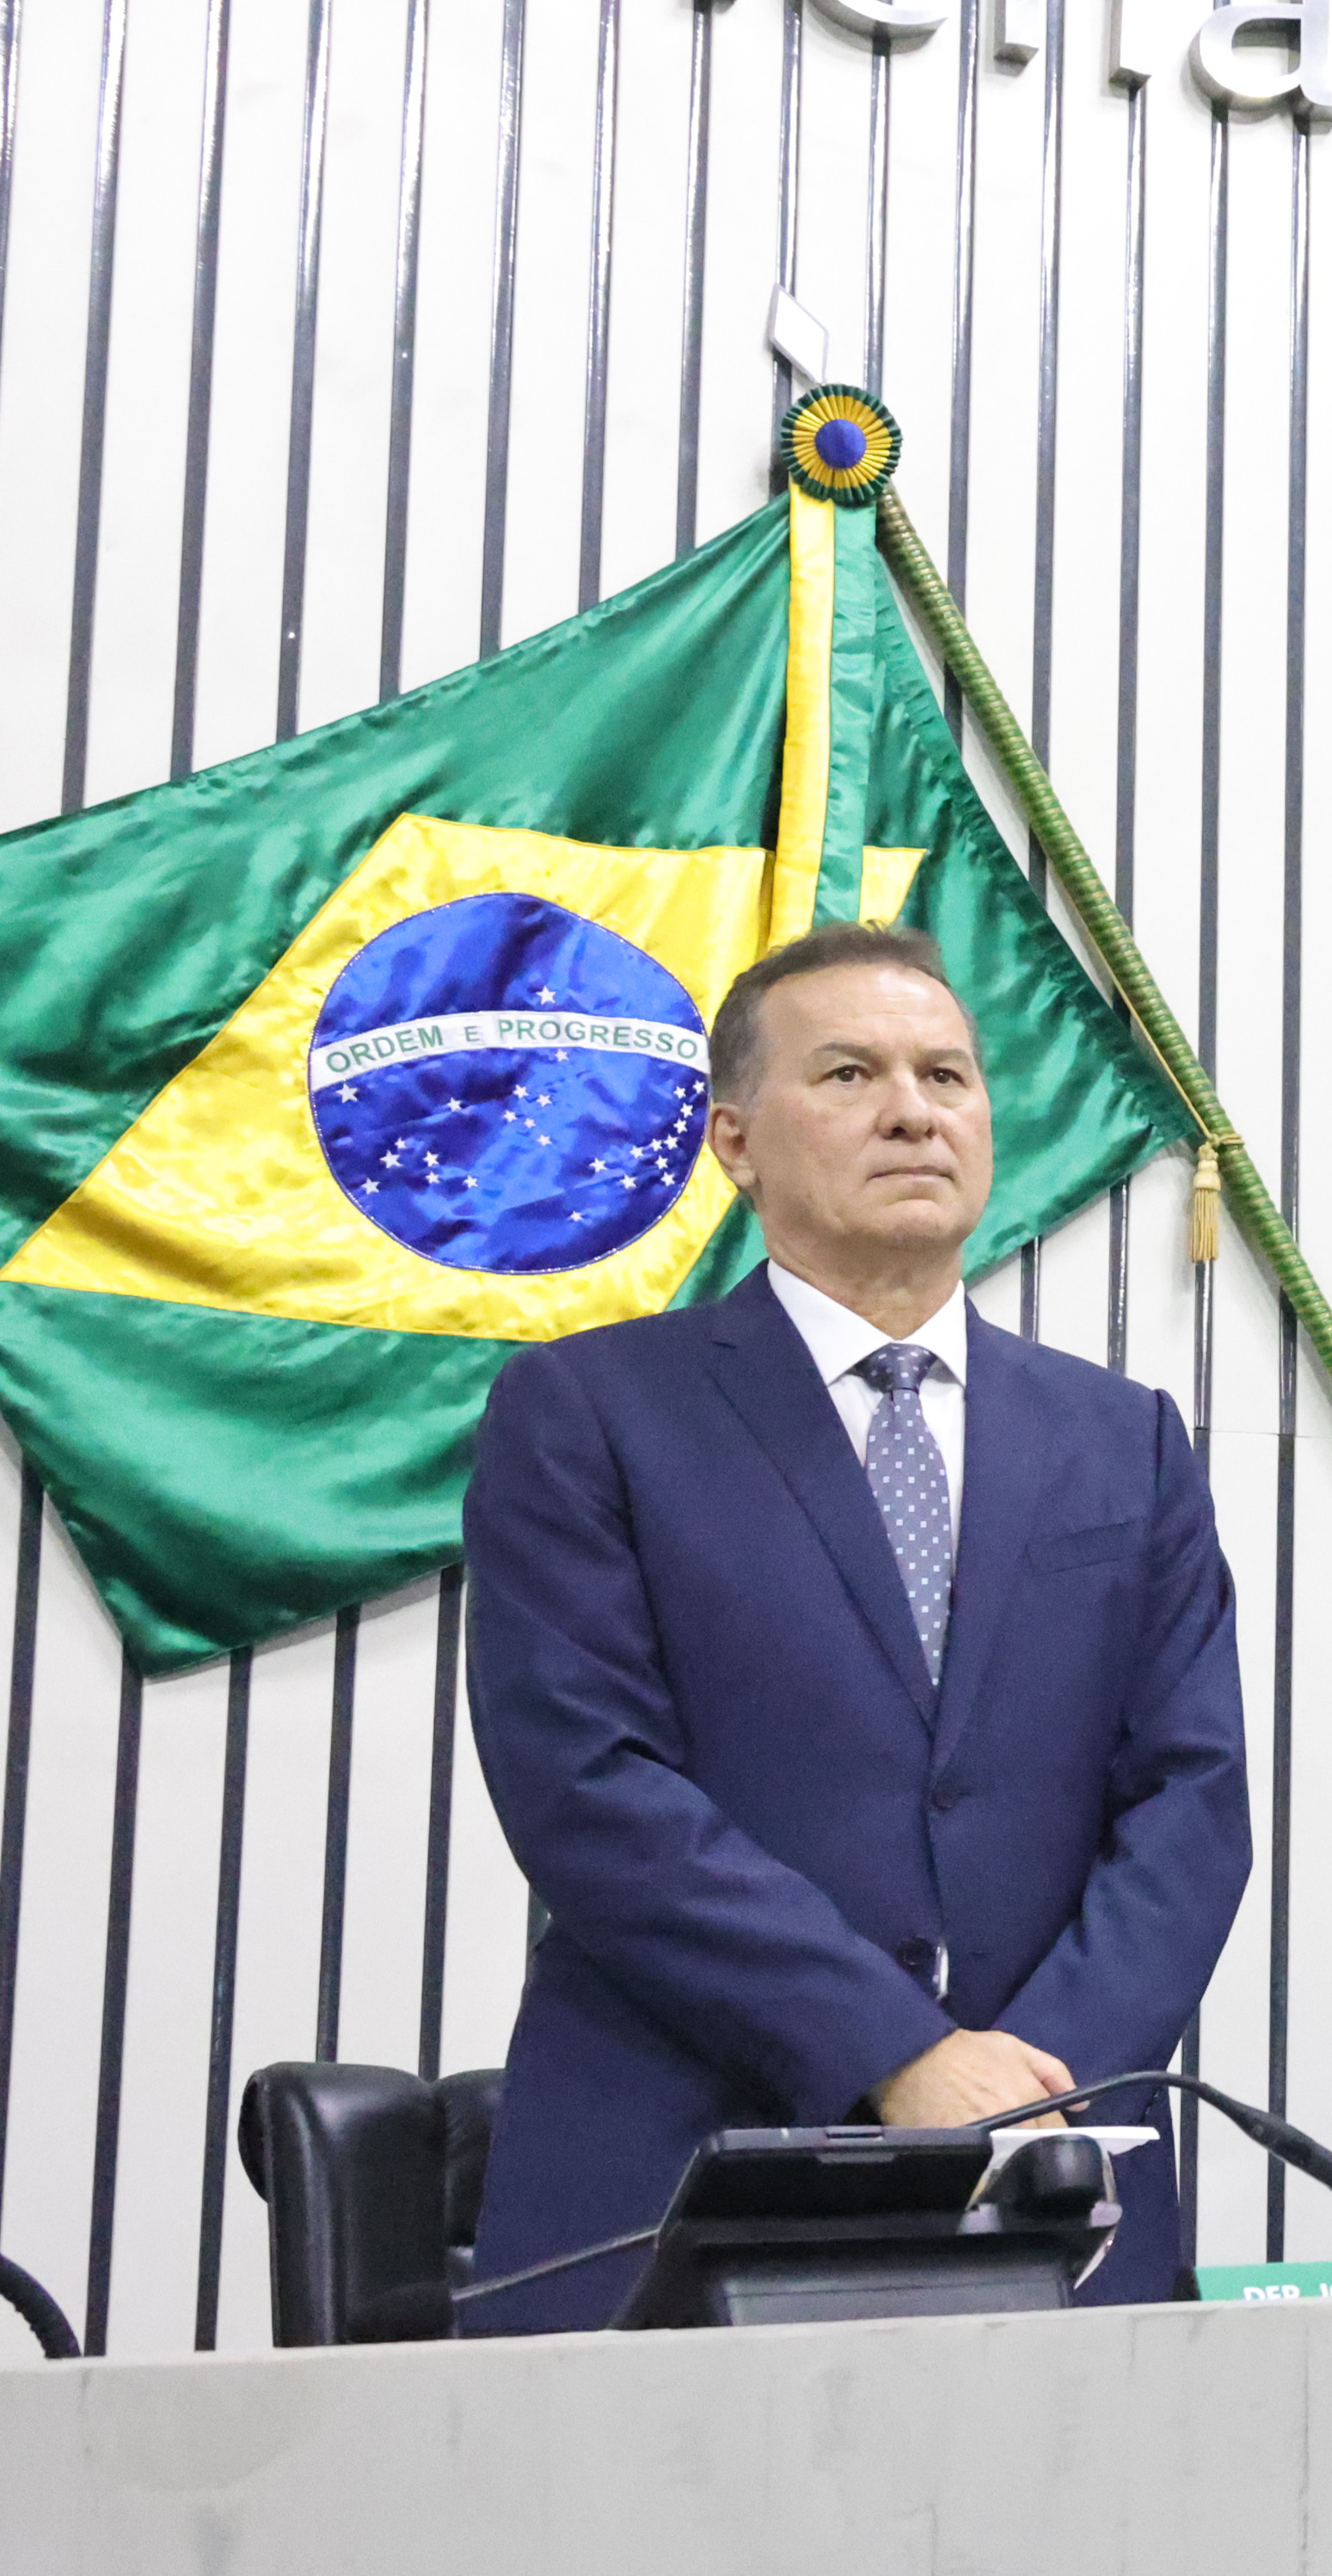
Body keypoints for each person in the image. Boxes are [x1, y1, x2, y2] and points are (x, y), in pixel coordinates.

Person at [455, 923, 1253, 2328]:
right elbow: (590, 1788)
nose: (912, 1108)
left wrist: (1036, 2078)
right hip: (674, 2179)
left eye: (946, 1074)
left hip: (1053, 2186)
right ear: (734, 1140)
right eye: (848, 1072)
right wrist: (893, 2051)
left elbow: (1191, 1796)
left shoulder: (1120, 1441)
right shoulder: (587, 1415)